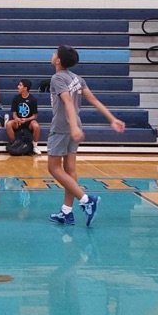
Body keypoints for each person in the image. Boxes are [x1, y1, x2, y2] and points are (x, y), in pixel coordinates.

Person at [47, 45, 125, 226]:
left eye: (54, 53)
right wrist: (112, 119)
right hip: (73, 127)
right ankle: (67, 211)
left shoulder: (57, 78)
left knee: (53, 168)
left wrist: (73, 127)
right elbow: (94, 99)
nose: (52, 55)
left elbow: (67, 103)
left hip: (61, 128)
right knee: (70, 169)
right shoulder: (77, 78)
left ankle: (86, 200)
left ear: (58, 60)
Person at [5, 79, 41, 155]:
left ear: (25, 88)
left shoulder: (33, 99)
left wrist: (26, 119)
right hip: (18, 122)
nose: (18, 87)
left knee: (36, 126)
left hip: (28, 122)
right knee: (8, 124)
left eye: (20, 85)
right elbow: (14, 113)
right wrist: (16, 118)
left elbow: (35, 116)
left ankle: (35, 146)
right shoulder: (16, 98)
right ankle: (15, 144)